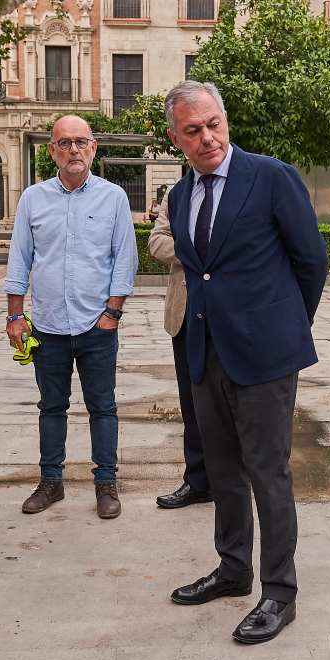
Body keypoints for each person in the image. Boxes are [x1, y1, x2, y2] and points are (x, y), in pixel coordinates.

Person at [163, 81, 328, 645]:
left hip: (266, 359)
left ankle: (279, 592)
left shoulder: (271, 175)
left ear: (225, 121)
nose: (206, 137)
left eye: (213, 124)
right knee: (223, 472)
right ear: (175, 137)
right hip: (205, 354)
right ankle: (233, 570)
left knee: (268, 473)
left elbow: (311, 261)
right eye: (192, 130)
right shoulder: (179, 197)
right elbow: (199, 274)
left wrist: (282, 331)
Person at [5, 115, 138, 520]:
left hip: (96, 325)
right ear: (52, 151)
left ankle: (106, 483)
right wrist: (15, 316)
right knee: (51, 407)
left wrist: (112, 313)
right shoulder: (33, 198)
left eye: (81, 142)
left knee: (103, 408)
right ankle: (51, 482)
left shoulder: (113, 198)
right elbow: (19, 258)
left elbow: (124, 260)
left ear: (93, 148)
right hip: (46, 325)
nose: (74, 150)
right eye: (65, 143)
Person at [148, 189, 211, 510]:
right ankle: (198, 481)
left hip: (231, 319)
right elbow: (156, 242)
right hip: (185, 316)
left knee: (235, 406)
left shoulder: (244, 189)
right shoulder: (178, 195)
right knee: (193, 405)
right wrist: (200, 250)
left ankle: (234, 480)